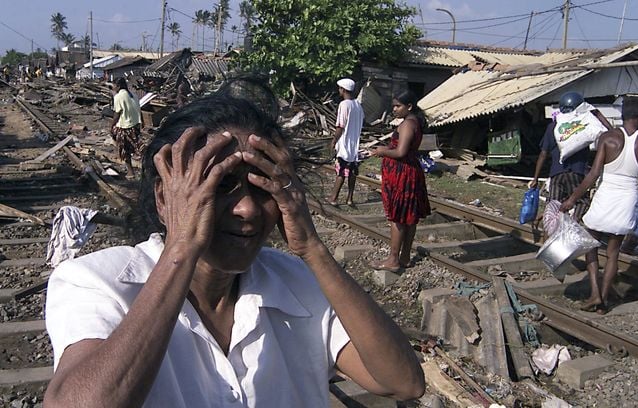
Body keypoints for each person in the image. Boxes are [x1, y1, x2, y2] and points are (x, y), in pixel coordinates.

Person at [43, 78, 425, 408]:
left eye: (262, 187)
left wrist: (313, 248)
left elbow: (402, 381)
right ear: (165, 198)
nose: (246, 209)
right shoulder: (99, 282)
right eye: (220, 185)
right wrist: (182, 249)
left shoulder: (300, 282)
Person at [560, 96, 638, 314]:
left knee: (591, 246)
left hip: (606, 195)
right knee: (613, 253)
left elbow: (593, 174)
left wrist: (572, 199)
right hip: (627, 197)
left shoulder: (609, 137)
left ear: (623, 115)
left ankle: (595, 293)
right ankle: (603, 303)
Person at [368, 90, 431, 273]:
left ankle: (393, 259)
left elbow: (400, 152)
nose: (394, 109)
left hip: (402, 173)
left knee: (398, 217)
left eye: (398, 106)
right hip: (410, 170)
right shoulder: (414, 122)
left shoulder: (406, 125)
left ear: (409, 106)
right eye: (393, 106)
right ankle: (404, 257)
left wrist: (381, 151)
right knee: (410, 217)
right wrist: (387, 148)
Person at [529, 91, 612, 222]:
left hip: (556, 174)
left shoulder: (553, 127)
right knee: (581, 202)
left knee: (552, 206)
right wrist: (595, 112)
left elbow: (543, 154)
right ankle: (573, 225)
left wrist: (535, 178)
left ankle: (550, 234)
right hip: (576, 173)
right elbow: (610, 131)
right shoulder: (584, 126)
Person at [328, 78, 364, 206]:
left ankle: (333, 198)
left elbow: (340, 126)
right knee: (352, 172)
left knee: (341, 172)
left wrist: (334, 141)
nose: (339, 90)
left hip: (344, 144)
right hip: (355, 144)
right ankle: (349, 198)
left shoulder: (344, 105)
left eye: (339, 88)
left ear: (343, 89)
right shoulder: (358, 105)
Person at [110, 77, 144, 178]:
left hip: (124, 127)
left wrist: (112, 125)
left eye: (114, 86)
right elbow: (139, 109)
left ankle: (130, 172)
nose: (113, 88)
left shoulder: (119, 97)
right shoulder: (133, 95)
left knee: (124, 150)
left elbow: (117, 113)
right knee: (138, 148)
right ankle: (145, 169)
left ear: (118, 86)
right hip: (135, 125)